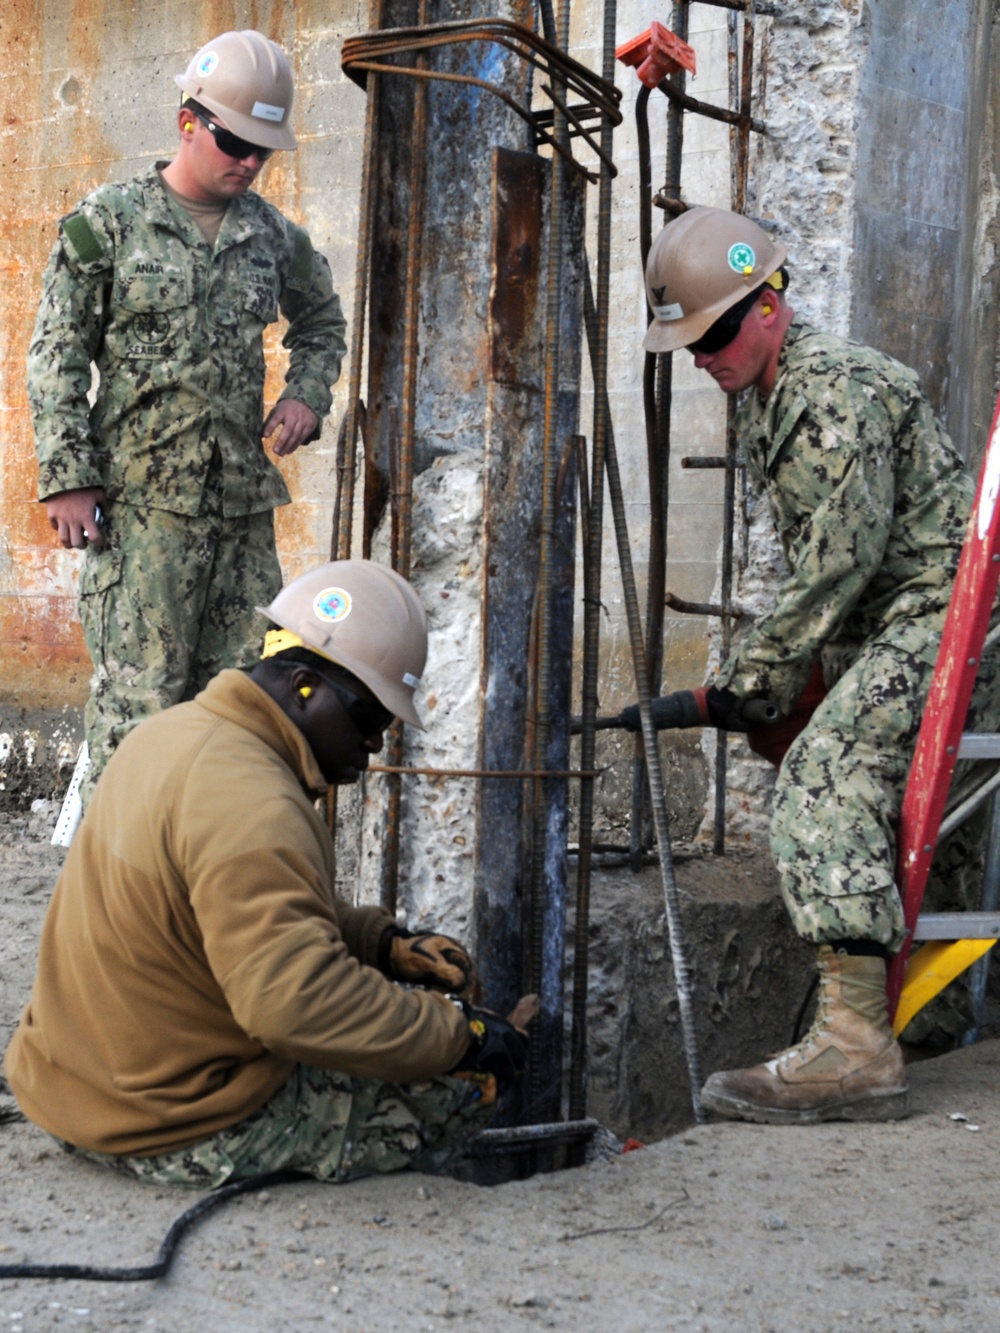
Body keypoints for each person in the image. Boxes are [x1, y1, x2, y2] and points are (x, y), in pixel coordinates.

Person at [635, 205, 999, 1124]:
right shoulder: (771, 395)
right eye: (689, 343)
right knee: (933, 817)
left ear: (769, 304)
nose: (705, 354)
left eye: (716, 330)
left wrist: (753, 682)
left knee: (824, 776)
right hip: (925, 620)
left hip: (953, 620)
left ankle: (852, 1046)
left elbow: (841, 559)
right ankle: (928, 1025)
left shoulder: (827, 388)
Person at [4, 560, 532, 1185]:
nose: (374, 745)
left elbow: (232, 896)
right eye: (369, 720)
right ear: (305, 685)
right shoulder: (257, 804)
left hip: (73, 1081)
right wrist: (464, 1036)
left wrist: (382, 944)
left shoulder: (175, 736)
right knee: (463, 1086)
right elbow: (292, 1005)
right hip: (159, 1119)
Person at [27, 30, 347, 799]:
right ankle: (116, 900)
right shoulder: (106, 225)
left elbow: (324, 321)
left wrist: (307, 391)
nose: (247, 161)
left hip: (240, 517)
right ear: (188, 122)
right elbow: (57, 353)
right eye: (234, 140)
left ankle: (208, 889)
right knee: (139, 716)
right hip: (141, 521)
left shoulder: (272, 238)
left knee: (242, 708)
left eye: (261, 151)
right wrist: (67, 476)